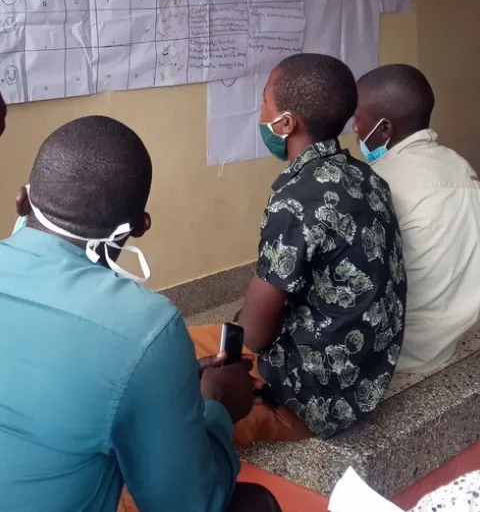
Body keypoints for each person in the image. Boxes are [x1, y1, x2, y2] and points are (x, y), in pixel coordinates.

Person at [0, 115, 281, 512]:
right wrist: (219, 407)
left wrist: (163, 385)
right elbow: (183, 504)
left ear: (22, 200)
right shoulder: (143, 326)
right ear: (140, 226)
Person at [190, 53, 406, 444]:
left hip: (310, 399)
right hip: (364, 378)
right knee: (180, 347)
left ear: (286, 123)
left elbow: (255, 335)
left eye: (264, 102)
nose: (260, 112)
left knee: (173, 385)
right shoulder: (366, 176)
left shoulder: (296, 200)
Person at [355, 63, 480, 373]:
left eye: (358, 120)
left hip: (401, 351)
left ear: (384, 129)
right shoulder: (460, 166)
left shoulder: (376, 182)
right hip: (452, 337)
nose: (355, 129)